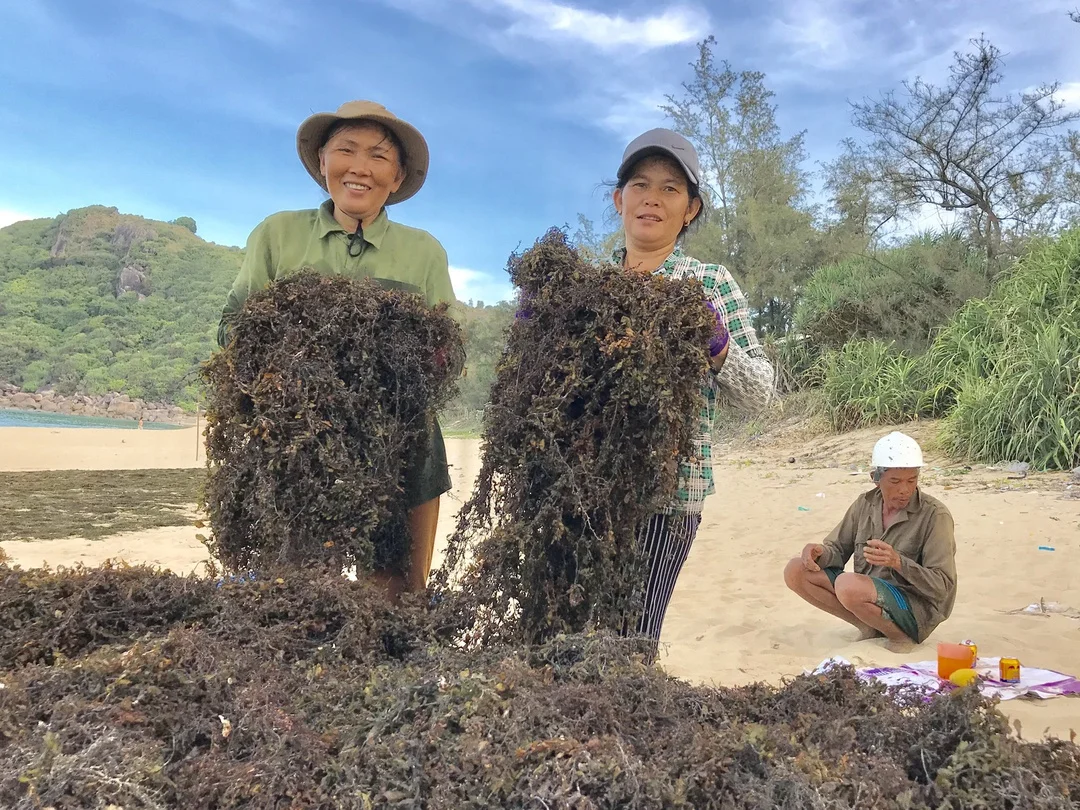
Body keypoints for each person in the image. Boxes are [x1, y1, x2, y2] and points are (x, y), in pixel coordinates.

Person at [217, 100, 457, 600]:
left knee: (395, 597)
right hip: (300, 442)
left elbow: (447, 353)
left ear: (397, 177)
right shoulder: (277, 235)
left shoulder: (424, 252)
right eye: (345, 150)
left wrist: (411, 360)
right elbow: (232, 327)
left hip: (402, 447)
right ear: (322, 162)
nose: (360, 167)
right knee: (296, 593)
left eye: (378, 156)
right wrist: (290, 373)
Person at [610, 128, 777, 643]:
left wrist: (718, 346)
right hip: (587, 489)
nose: (652, 199)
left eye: (670, 189)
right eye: (640, 185)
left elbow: (760, 396)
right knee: (571, 628)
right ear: (619, 200)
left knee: (634, 632)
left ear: (691, 210)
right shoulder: (589, 284)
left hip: (670, 492)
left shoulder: (709, 283)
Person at [783, 431, 957, 647]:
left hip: (915, 609)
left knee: (848, 585)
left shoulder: (935, 515)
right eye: (895, 481)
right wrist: (819, 553)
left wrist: (898, 563)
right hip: (868, 596)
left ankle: (900, 638)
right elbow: (836, 549)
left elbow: (942, 587)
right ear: (875, 479)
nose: (905, 490)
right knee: (796, 570)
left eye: (912, 480)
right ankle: (869, 627)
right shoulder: (864, 504)